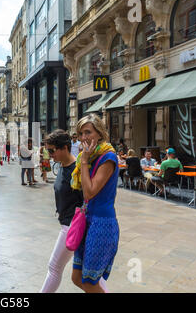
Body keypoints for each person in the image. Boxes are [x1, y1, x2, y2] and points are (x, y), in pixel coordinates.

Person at [71, 114, 119, 293]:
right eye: (81, 133)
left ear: (99, 133)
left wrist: (83, 160)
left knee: (90, 282)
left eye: (88, 132)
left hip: (102, 223)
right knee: (77, 277)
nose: (84, 137)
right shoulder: (91, 157)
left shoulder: (108, 158)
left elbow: (90, 191)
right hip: (87, 220)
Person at [40, 130, 85, 292]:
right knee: (89, 275)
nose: (50, 154)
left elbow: (86, 199)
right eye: (48, 151)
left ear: (65, 148)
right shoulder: (62, 166)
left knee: (54, 267)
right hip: (68, 224)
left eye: (52, 150)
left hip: (72, 226)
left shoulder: (77, 169)